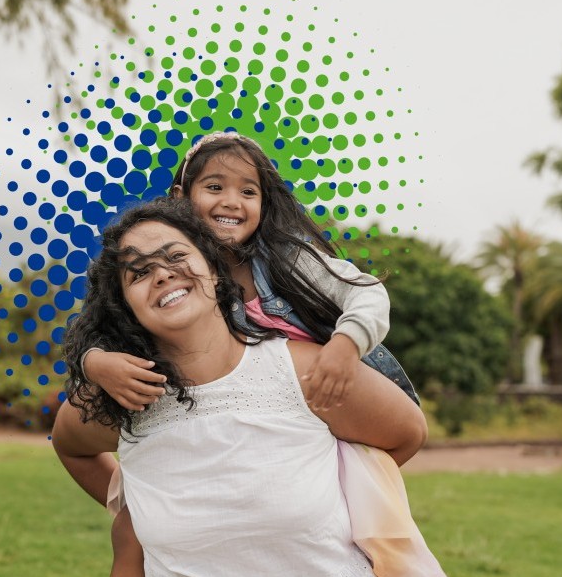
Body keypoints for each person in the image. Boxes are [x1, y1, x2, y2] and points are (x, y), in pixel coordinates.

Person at [53, 197, 445, 577]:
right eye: (138, 273)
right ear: (125, 304)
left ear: (214, 267)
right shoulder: (125, 396)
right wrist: (132, 510)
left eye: (176, 257)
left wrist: (352, 492)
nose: (161, 274)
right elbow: (70, 445)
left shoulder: (301, 369)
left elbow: (406, 433)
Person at [83, 131, 418, 427]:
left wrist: (346, 346)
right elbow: (106, 321)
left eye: (248, 192)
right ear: (180, 197)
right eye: (215, 187)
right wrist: (95, 363)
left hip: (344, 399)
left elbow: (367, 293)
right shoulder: (176, 278)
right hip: (270, 417)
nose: (231, 202)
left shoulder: (288, 259)